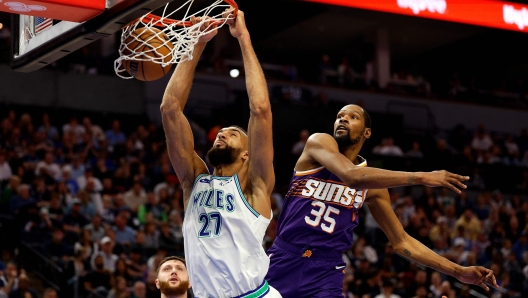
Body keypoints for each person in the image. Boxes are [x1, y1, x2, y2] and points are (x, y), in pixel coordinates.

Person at [265, 104, 498, 297]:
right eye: (339, 117)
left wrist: (457, 271)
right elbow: (352, 177)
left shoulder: (375, 188)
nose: (343, 120)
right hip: (285, 257)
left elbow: (402, 242)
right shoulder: (318, 143)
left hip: (326, 271)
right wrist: (422, 176)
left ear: (367, 132)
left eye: (352, 117)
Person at [160, 9, 280, 297]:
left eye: (233, 133)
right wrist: (197, 43)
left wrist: (243, 39)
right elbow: (170, 109)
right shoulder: (194, 180)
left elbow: (261, 110)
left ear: (247, 154)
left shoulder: (255, 187)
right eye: (221, 133)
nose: (222, 134)